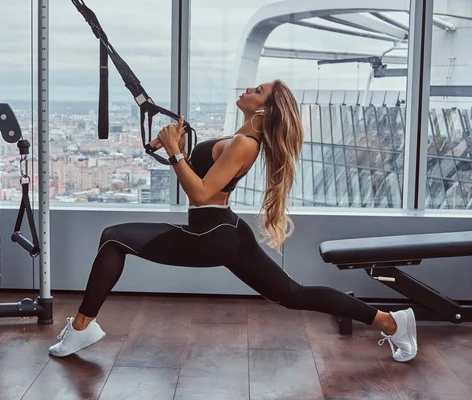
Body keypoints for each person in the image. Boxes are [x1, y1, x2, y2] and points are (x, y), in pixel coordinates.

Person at [48, 80, 418, 363]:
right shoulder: (240, 138)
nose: (248, 89)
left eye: (258, 91)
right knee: (293, 295)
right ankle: (391, 322)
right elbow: (198, 178)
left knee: (114, 239)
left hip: (211, 233)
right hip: (224, 230)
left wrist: (177, 152)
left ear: (265, 112)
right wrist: (170, 146)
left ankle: (82, 327)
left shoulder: (245, 144)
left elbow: (202, 195)